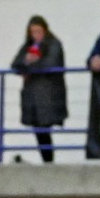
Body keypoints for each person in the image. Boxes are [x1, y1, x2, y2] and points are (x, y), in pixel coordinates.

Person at [10, 15, 67, 163]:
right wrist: (26, 61)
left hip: (49, 96)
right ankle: (46, 160)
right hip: (32, 96)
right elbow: (15, 63)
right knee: (39, 131)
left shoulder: (54, 43)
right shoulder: (28, 45)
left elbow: (50, 64)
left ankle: (49, 162)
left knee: (44, 128)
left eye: (38, 31)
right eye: (32, 32)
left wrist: (31, 65)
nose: (36, 35)